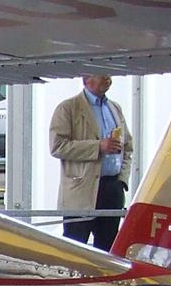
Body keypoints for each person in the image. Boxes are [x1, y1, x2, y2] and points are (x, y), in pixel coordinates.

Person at [49, 75, 132, 249]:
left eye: (109, 75)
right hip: (81, 190)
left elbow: (128, 147)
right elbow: (57, 146)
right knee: (75, 246)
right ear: (87, 79)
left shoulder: (114, 107)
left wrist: (122, 179)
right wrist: (98, 146)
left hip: (112, 188)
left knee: (108, 248)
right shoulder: (68, 108)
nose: (108, 78)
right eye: (102, 75)